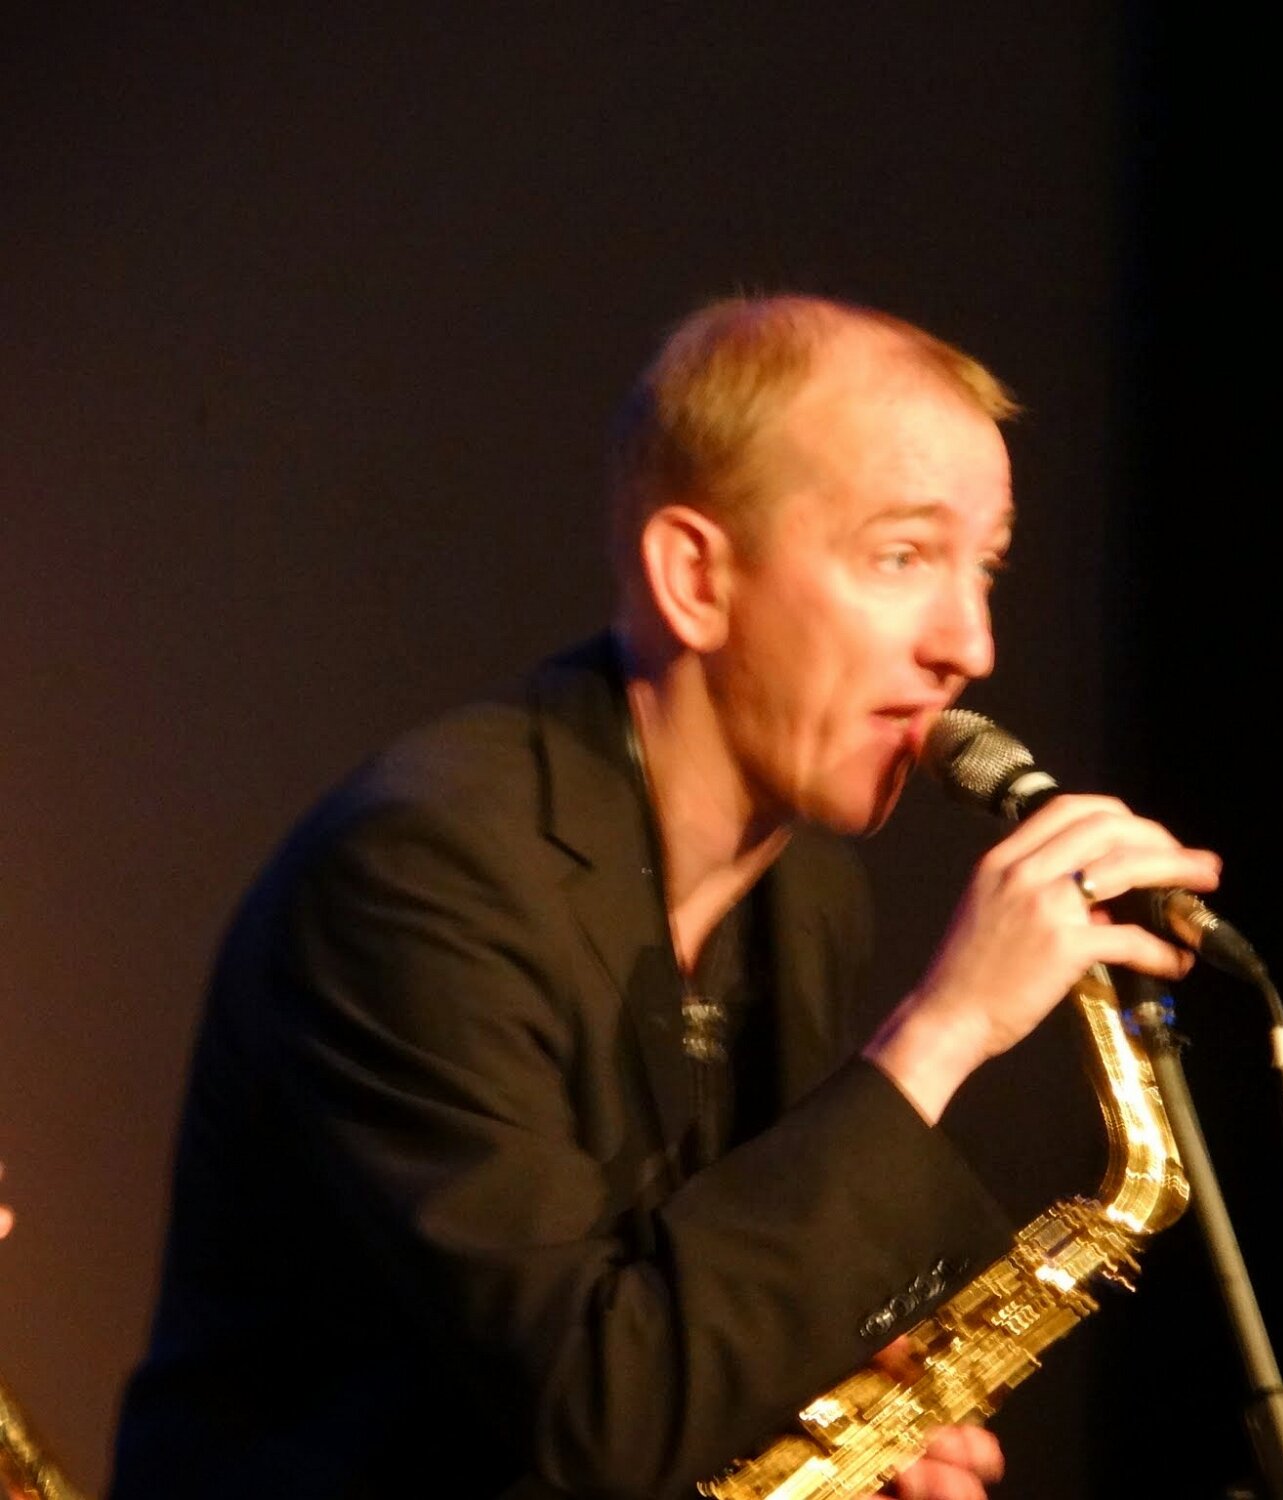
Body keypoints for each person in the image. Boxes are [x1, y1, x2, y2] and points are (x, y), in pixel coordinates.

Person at [109, 295, 1221, 1499]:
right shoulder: (421, 873)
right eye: (902, 557)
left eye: (984, 566)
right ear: (696, 577)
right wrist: (944, 1029)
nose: (970, 644)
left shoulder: (807, 895)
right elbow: (597, 1414)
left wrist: (837, 1411)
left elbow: (702, 1313)